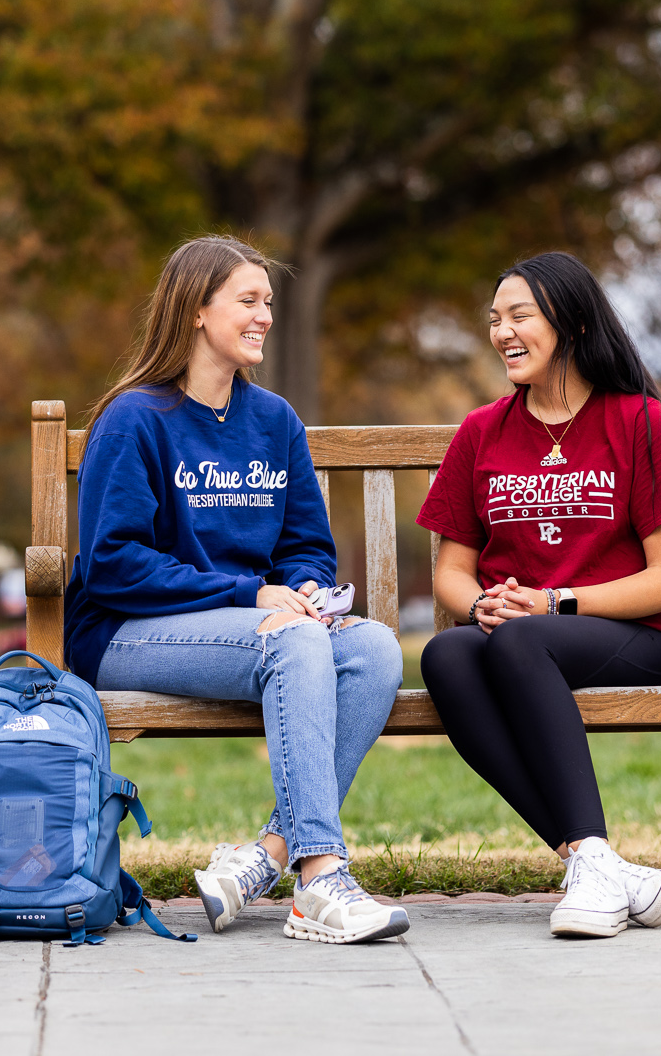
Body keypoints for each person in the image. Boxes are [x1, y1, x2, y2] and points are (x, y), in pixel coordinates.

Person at [65, 235, 409, 945]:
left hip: (255, 629)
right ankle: (319, 877)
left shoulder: (273, 420)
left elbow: (306, 545)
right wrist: (253, 594)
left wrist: (308, 588)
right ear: (196, 309)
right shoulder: (135, 419)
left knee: (374, 650)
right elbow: (112, 562)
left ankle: (265, 858)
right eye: (248, 301)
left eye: (269, 303)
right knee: (291, 638)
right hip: (129, 632)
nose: (265, 316)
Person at [416, 251, 661, 939]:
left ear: (571, 323)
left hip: (632, 635)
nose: (503, 332)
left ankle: (593, 862)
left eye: (520, 316)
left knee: (519, 637)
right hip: (523, 633)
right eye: (495, 320)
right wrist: (477, 602)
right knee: (447, 657)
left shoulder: (637, 422)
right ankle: (594, 861)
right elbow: (452, 573)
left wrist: (556, 603)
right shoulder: (483, 431)